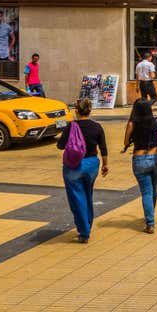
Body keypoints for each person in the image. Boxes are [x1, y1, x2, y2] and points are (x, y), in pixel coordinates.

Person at [58, 98, 108, 243]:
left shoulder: (71, 127)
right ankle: (88, 224)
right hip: (92, 165)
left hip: (74, 166)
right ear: (90, 110)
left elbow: (60, 145)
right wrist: (105, 165)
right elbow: (103, 148)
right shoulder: (97, 127)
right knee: (87, 195)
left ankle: (84, 232)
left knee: (77, 198)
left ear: (76, 111)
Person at [123, 100, 157, 233]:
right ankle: (150, 215)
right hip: (156, 158)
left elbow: (125, 142)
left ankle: (150, 223)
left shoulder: (132, 124)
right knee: (153, 188)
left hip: (140, 160)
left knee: (146, 191)